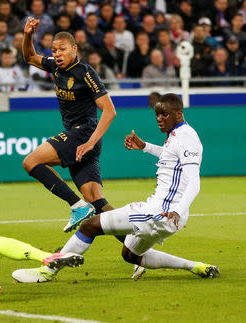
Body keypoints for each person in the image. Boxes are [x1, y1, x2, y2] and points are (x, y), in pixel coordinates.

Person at [12, 93, 220, 283]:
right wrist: (145, 147)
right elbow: (170, 157)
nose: (159, 119)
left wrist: (178, 209)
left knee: (90, 225)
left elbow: (194, 181)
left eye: (164, 114)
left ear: (178, 114)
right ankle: (196, 267)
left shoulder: (186, 138)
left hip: (162, 212)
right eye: (157, 114)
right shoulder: (177, 135)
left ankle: (47, 271)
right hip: (165, 213)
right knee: (130, 254)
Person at [22, 17, 118, 233]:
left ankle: (76, 207)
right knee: (95, 199)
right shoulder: (55, 67)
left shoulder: (85, 72)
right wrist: (28, 35)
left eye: (62, 49)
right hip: (79, 138)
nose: (57, 54)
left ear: (74, 49)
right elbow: (29, 56)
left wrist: (91, 142)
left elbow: (110, 110)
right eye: (54, 50)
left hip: (84, 134)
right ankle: (135, 245)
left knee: (31, 162)